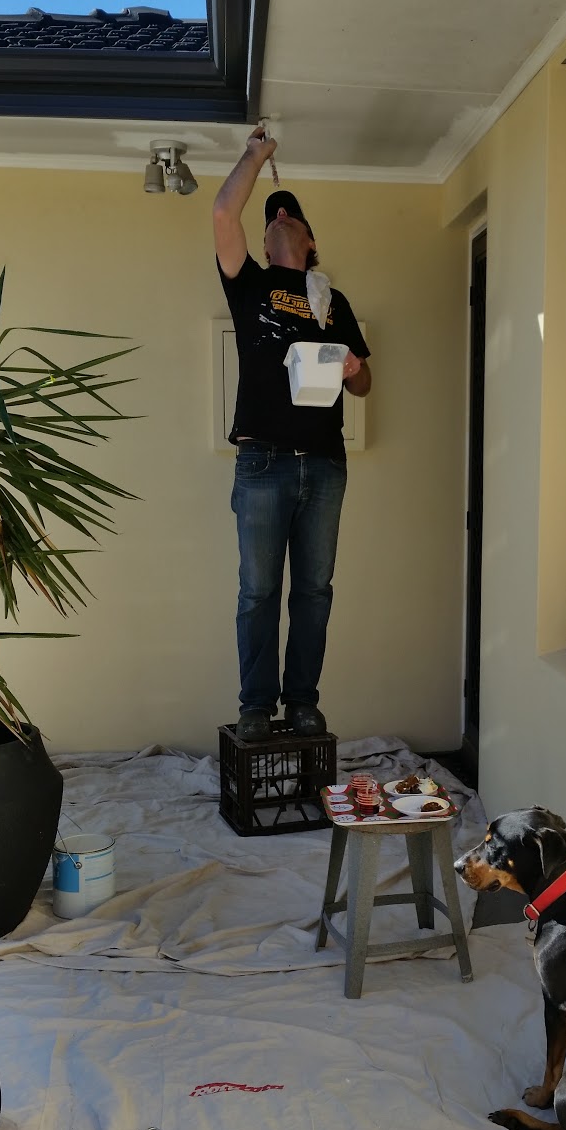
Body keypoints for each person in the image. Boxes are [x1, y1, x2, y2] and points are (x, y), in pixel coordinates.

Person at [213, 127, 371, 742]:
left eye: (292, 215)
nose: (279, 214)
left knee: (314, 592)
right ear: (266, 238)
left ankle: (302, 704)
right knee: (258, 591)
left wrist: (355, 368)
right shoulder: (249, 284)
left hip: (325, 465)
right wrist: (256, 158)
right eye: (273, 214)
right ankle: (256, 710)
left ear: (310, 242)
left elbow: (362, 386)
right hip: (262, 463)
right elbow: (225, 209)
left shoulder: (334, 301)